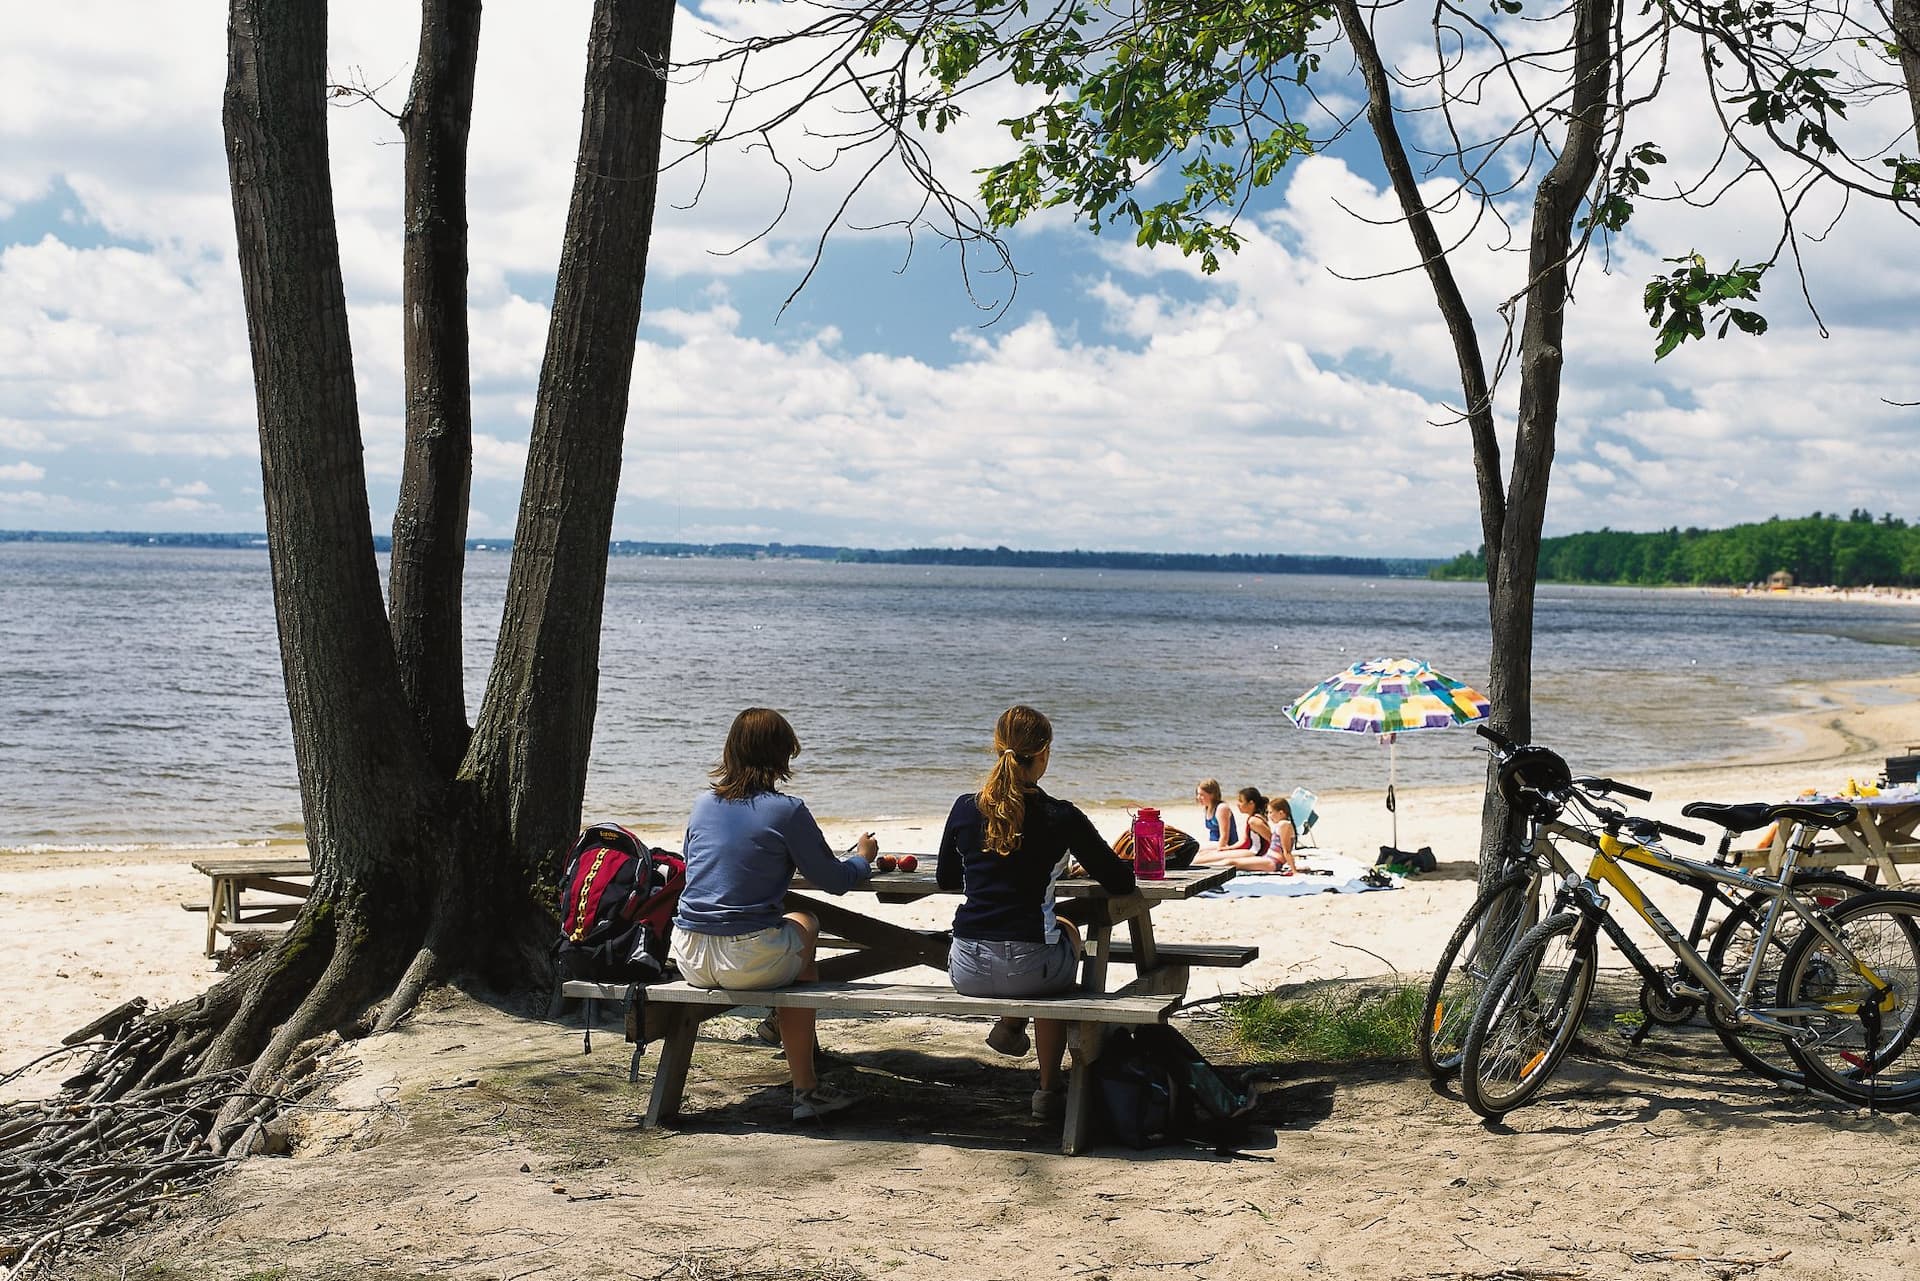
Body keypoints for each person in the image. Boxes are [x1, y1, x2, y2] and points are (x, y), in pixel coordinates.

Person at [670, 707, 878, 1122]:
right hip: (745, 959)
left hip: (689, 953)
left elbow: (699, 864)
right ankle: (806, 1089)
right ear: (783, 756)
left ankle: (774, 1023)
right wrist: (862, 859)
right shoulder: (787, 810)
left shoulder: (702, 804)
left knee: (790, 932)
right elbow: (834, 880)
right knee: (807, 925)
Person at [938, 705, 1137, 1122]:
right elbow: (1120, 882)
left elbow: (946, 879)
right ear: (1044, 754)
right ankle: (1047, 1090)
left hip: (967, 968)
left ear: (997, 749)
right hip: (1031, 968)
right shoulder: (1061, 815)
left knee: (1037, 943)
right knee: (1063, 931)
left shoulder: (964, 807)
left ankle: (1012, 1026)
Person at [1198, 788, 1286, 870]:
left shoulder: (1254, 821)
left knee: (1211, 859)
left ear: (1251, 803)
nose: (1238, 804)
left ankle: (1198, 868)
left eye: (1241, 801)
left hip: (1255, 853)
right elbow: (1244, 841)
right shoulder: (1251, 818)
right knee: (1207, 854)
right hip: (1250, 850)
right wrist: (1228, 848)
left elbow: (1272, 840)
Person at [1196, 778, 1238, 850]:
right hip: (1214, 844)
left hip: (1227, 846)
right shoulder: (1207, 808)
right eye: (1197, 794)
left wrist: (1216, 853)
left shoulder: (1222, 808)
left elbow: (1224, 837)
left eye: (1201, 795)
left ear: (1212, 795)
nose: (1198, 797)